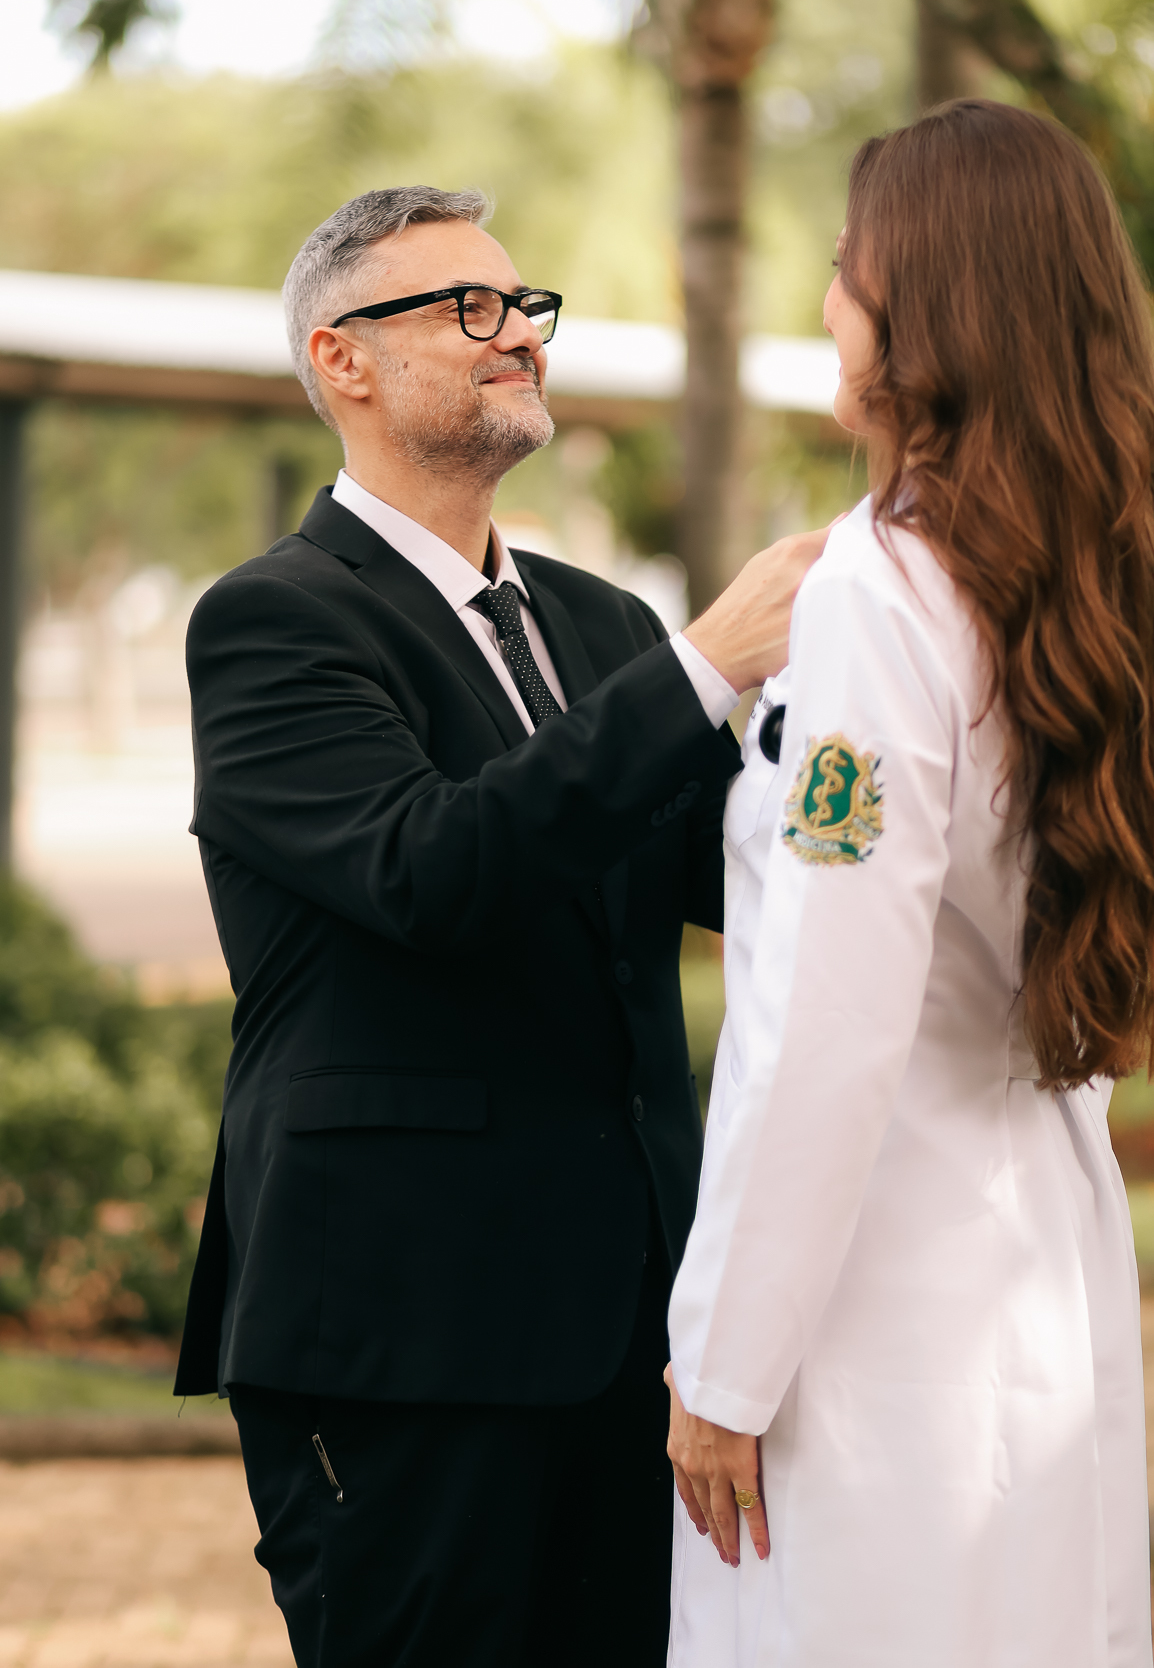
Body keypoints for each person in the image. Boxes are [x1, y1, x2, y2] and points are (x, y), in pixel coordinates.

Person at [172, 184, 829, 1668]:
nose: (518, 333)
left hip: (636, 1337)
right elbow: (432, 871)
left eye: (525, 305)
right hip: (405, 1336)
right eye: (468, 308)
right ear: (343, 358)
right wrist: (703, 668)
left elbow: (752, 880)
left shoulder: (602, 626)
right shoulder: (273, 621)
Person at [665, 100, 1154, 1667]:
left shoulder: (877, 592)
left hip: (874, 1305)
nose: (825, 302)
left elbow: (825, 1011)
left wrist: (725, 1366)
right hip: (1044, 1263)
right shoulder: (1095, 579)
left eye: (843, 266)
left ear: (923, 308)